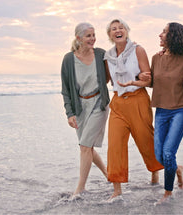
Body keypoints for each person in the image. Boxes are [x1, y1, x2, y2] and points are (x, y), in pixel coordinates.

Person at [128, 22, 183, 204]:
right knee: (159, 156)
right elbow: (152, 83)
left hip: (181, 110)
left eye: (164, 32)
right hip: (162, 111)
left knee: (168, 153)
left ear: (173, 36)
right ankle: (177, 170)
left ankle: (168, 193)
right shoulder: (157, 58)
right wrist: (139, 78)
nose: (160, 35)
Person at [103, 18, 164, 202]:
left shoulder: (138, 50)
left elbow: (148, 80)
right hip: (118, 103)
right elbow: (106, 80)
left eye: (121, 27)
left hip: (138, 99)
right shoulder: (108, 57)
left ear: (127, 31)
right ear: (110, 35)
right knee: (114, 146)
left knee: (146, 141)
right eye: (113, 29)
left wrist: (138, 78)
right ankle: (117, 188)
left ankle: (156, 171)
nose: (117, 30)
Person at [60, 22, 111, 201]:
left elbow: (110, 75)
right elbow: (66, 89)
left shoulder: (100, 54)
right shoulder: (68, 59)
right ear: (78, 38)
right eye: (88, 35)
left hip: (99, 103)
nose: (92, 39)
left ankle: (80, 188)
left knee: (84, 146)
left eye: (94, 35)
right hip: (79, 107)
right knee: (86, 146)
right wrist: (70, 113)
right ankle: (108, 175)